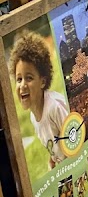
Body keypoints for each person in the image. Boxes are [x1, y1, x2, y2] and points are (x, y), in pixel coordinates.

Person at [10, 31, 69, 168]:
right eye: (19, 79)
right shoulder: (33, 117)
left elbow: (75, 135)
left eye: (29, 78)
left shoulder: (54, 108)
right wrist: (53, 159)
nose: (22, 85)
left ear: (42, 82)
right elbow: (53, 143)